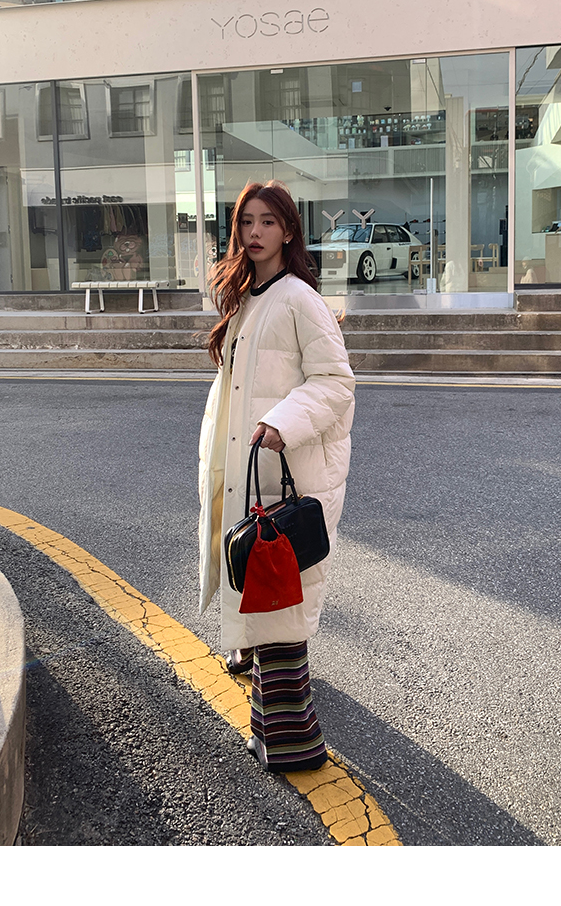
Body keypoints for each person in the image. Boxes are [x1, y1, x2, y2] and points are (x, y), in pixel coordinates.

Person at [198, 181, 355, 773]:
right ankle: (270, 715)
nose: (255, 232)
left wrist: (282, 423)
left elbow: (336, 384)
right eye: (246, 222)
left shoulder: (298, 299)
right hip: (251, 470)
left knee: (281, 599)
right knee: (263, 587)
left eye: (268, 221)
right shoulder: (248, 297)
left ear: (288, 230)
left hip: (286, 468)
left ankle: (294, 744)